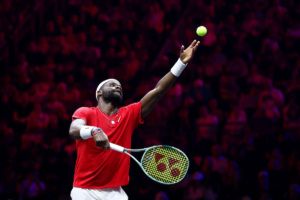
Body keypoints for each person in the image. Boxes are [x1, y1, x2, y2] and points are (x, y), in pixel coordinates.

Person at [69, 40, 200, 200]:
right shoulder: (86, 112)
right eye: (111, 84)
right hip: (85, 191)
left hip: (116, 193)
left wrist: (180, 63)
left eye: (119, 86)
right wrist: (93, 130)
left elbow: (158, 91)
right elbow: (74, 130)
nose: (117, 86)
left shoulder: (129, 114)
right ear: (99, 93)